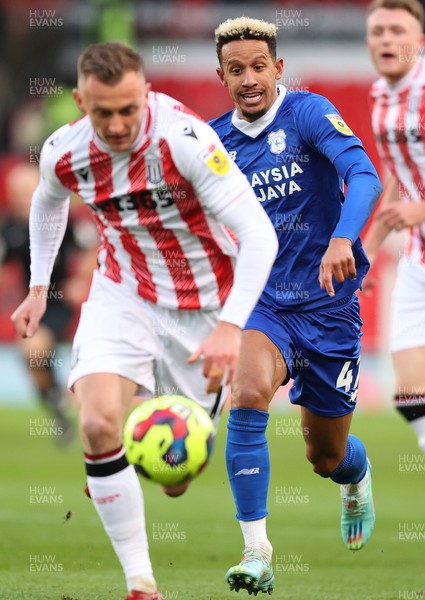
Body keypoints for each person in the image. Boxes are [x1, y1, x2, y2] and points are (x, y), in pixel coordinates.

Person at [11, 42, 278, 600]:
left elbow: (259, 235)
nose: (116, 124)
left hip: (202, 306)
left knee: (174, 478)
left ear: (145, 93)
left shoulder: (184, 142)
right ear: (81, 100)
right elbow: (47, 202)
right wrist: (39, 288)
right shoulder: (64, 150)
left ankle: (118, 456)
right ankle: (142, 584)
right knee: (96, 422)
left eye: (128, 109)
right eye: (102, 111)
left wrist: (230, 326)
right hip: (123, 292)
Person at [210, 17, 382, 596]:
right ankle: (257, 550)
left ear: (277, 68)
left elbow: (364, 174)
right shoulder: (212, 145)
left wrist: (343, 238)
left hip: (330, 308)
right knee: (249, 392)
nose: (250, 78)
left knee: (325, 456)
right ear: (222, 76)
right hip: (266, 306)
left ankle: (355, 479)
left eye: (259, 66)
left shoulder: (308, 114)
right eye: (237, 69)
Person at [364, 0, 425, 467]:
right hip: (420, 258)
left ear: (420, 41)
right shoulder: (379, 96)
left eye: (397, 30)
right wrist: (366, 247)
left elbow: (416, 196)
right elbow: (397, 175)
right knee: (413, 399)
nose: (387, 39)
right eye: (377, 31)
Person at [0, 162, 97, 443]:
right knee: (31, 355)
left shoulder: (64, 219)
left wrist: (80, 280)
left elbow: (92, 247)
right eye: (15, 193)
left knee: (33, 348)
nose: (20, 199)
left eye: (25, 192)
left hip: (62, 301)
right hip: (33, 303)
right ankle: (56, 402)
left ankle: (69, 401)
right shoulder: (10, 229)